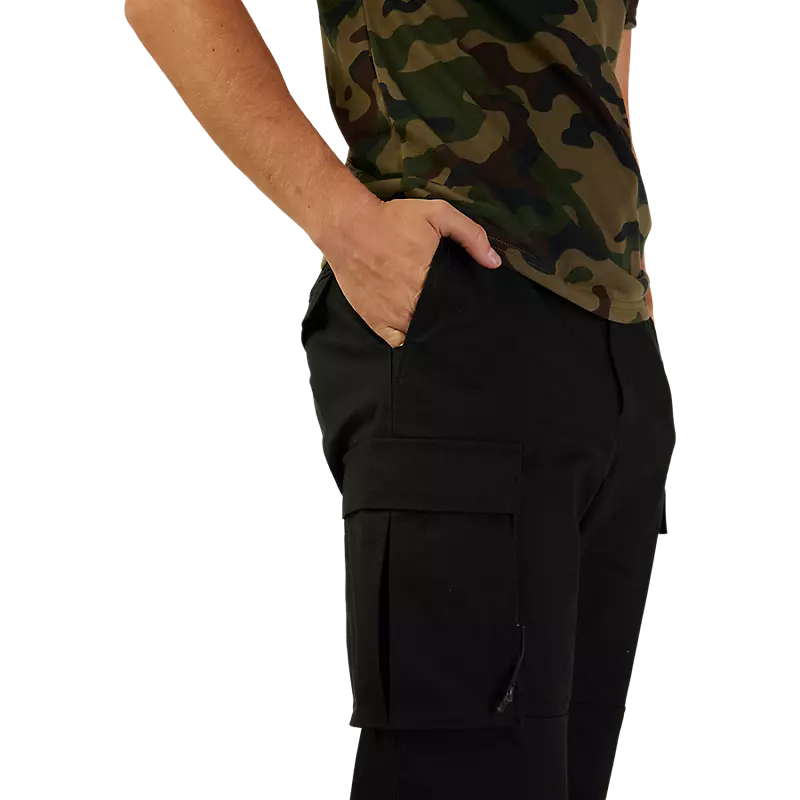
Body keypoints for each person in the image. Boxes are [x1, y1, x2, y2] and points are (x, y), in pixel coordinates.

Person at [125, 0, 675, 797]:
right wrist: (343, 221)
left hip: (613, 349)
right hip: (458, 323)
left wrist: (631, 273)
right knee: (459, 776)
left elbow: (603, 61)